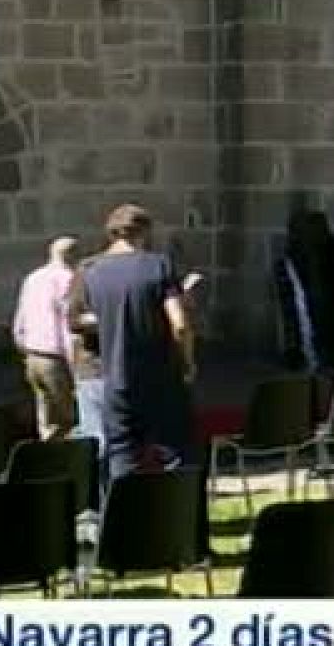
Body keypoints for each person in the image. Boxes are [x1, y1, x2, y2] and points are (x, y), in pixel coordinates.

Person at [71, 204, 197, 487]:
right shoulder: (158, 265)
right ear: (145, 232)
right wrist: (188, 361)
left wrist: (112, 320)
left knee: (122, 459)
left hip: (116, 377)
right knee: (177, 455)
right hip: (160, 374)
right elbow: (179, 323)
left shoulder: (91, 270)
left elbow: (77, 319)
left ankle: (121, 521)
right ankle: (182, 518)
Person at [11, 237, 79, 441]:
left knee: (46, 419)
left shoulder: (33, 278)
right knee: (68, 420)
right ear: (73, 255)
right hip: (55, 358)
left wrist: (22, 346)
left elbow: (20, 317)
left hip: (33, 355)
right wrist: (74, 364)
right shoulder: (68, 279)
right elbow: (67, 323)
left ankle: (47, 457)